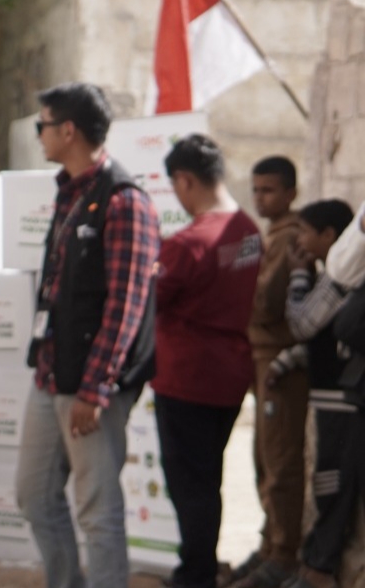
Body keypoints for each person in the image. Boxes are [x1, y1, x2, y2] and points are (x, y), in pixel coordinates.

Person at [15, 82, 159, 588]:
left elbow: (127, 306)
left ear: (68, 131)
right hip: (52, 374)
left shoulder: (124, 201)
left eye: (42, 126)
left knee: (98, 511)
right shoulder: (70, 191)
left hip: (91, 386)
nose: (39, 137)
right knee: (33, 494)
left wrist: (96, 387)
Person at [151, 134, 261, 588]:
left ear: (185, 180)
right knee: (207, 480)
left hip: (187, 380)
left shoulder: (188, 243)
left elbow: (148, 300)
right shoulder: (249, 232)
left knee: (190, 487)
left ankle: (195, 575)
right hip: (230, 376)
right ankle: (200, 567)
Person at [273, 199, 359, 588]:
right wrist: (289, 361)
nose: (301, 241)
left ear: (329, 236)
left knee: (332, 485)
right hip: (336, 398)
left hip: (342, 403)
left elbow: (304, 324)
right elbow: (321, 340)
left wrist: (297, 276)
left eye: (306, 232)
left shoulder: (340, 276)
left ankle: (320, 569)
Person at [237, 155, 306, 587]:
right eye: (256, 189)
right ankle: (269, 545)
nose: (260, 198)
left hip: (281, 363)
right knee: (262, 457)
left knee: (279, 460)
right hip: (260, 358)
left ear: (290, 193)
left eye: (269, 190)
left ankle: (284, 555)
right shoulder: (269, 235)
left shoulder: (289, 237)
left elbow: (264, 303)